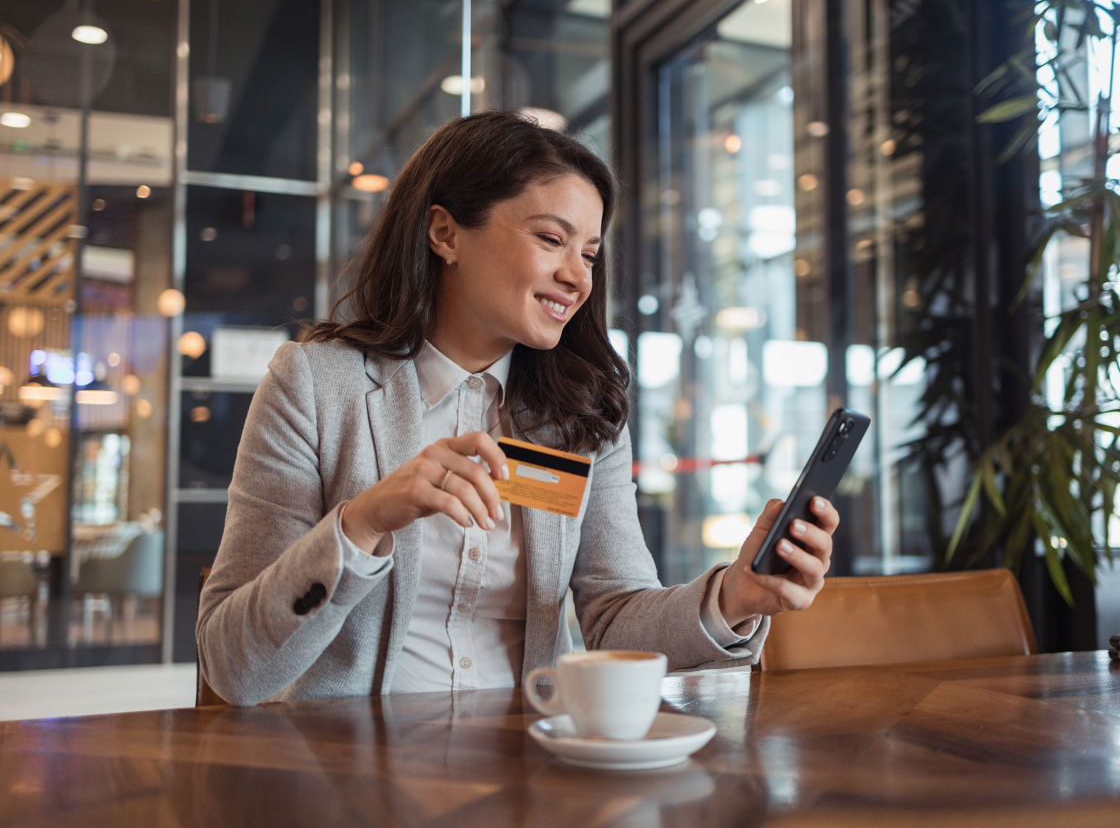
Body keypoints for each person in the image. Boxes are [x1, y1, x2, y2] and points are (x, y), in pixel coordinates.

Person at [197, 110, 839, 706]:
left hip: (531, 765)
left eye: (588, 253)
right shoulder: (315, 386)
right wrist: (363, 521)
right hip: (353, 772)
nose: (579, 278)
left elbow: (614, 616)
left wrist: (733, 597)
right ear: (445, 232)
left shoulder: (582, 415)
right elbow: (234, 668)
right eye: (551, 239)